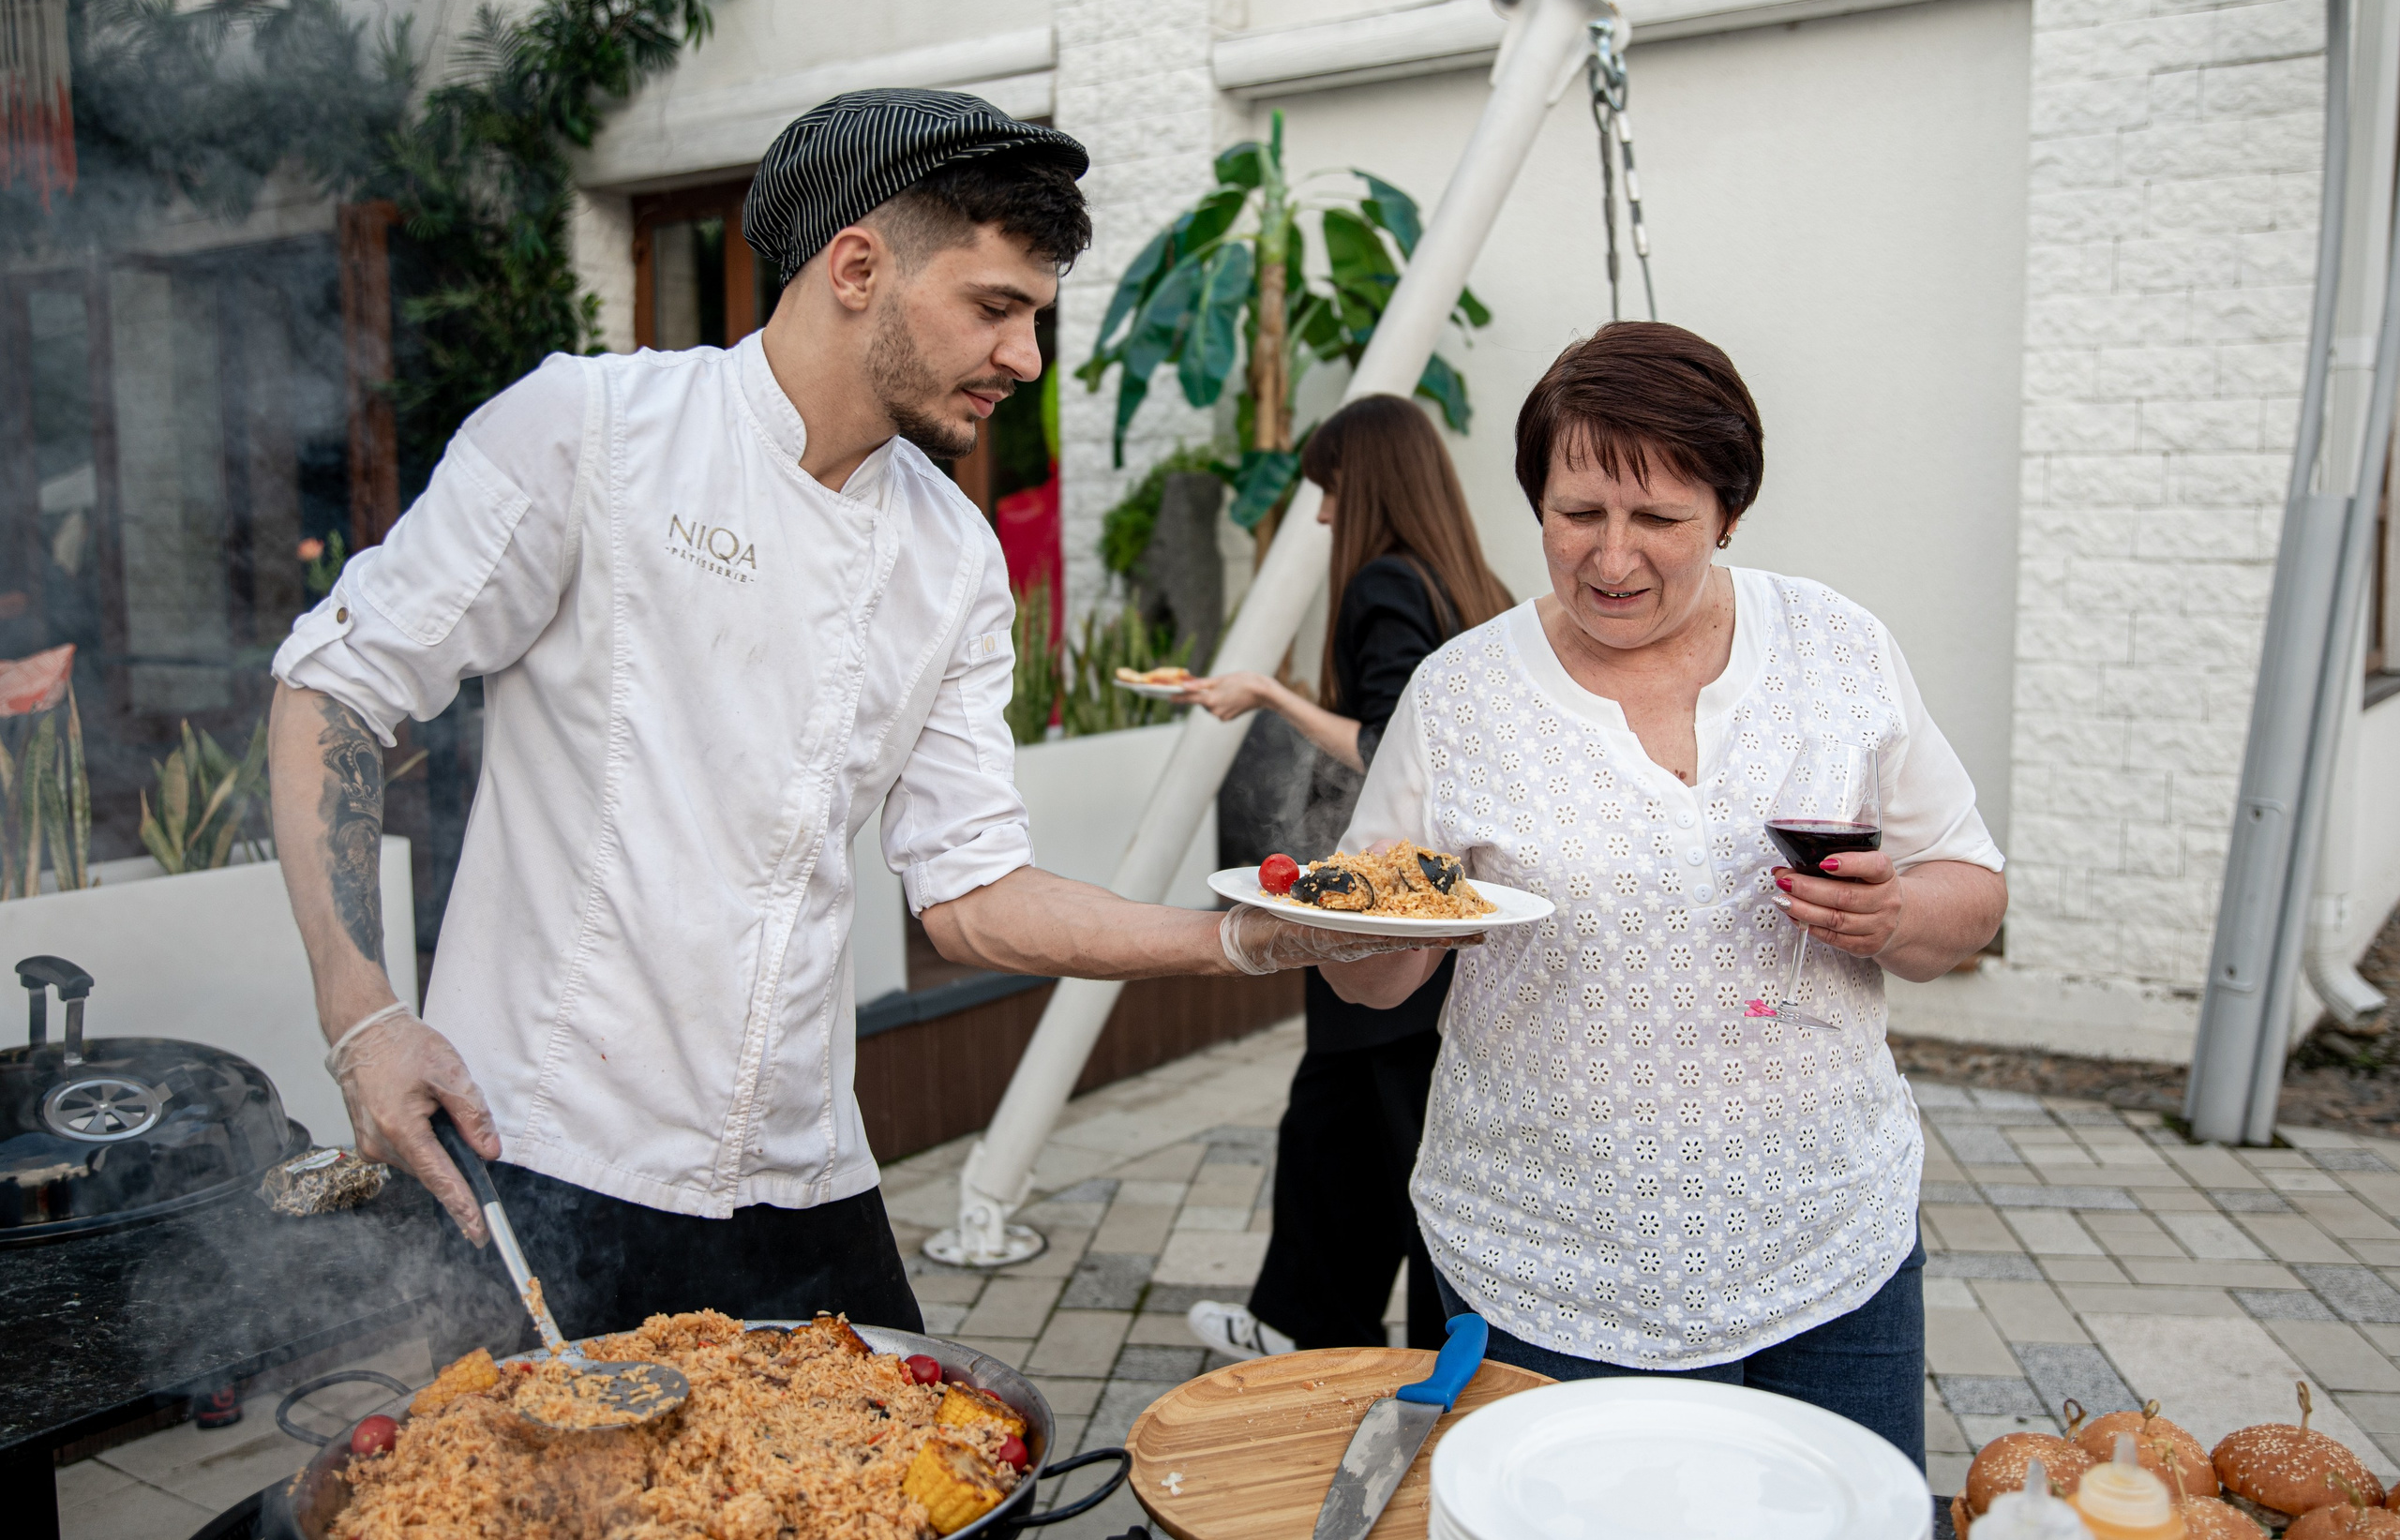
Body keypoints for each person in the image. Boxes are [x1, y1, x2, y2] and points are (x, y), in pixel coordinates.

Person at [266, 89, 1431, 1341]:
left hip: (805, 1168)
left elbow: (971, 889)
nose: (1027, 359)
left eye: (1036, 316)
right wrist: (363, 1013)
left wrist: (1246, 940)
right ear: (858, 267)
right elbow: (337, 683)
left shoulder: (953, 556)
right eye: (995, 307)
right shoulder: (593, 433)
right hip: (547, 1150)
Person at [1321, 322, 2008, 1466]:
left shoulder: (1839, 648)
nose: (1611, 557)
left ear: (1728, 512)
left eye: (1658, 520)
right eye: (1576, 514)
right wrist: (1364, 929)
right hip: (1546, 1266)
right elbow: (1372, 972)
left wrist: (1893, 915)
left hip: (1828, 1247)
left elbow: (1970, 891)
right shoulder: (1459, 697)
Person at [1171, 396, 1515, 1359]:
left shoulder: (1383, 584)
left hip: (1391, 917)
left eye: (1325, 487)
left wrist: (1270, 691)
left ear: (1359, 483)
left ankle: (1368, 1343)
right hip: (1447, 905)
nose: (1320, 512)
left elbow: (1387, 744)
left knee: (1365, 1138)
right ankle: (1317, 1327)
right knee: (1355, 1132)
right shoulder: (1474, 585)